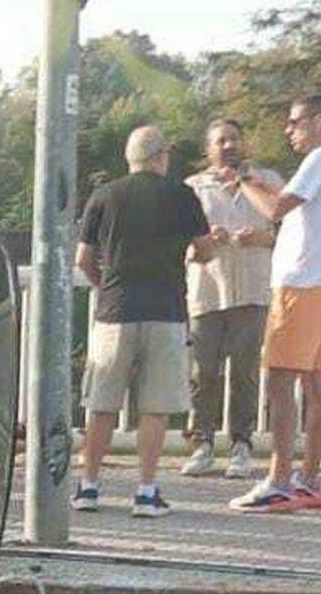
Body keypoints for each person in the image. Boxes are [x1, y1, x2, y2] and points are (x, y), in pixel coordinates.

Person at [224, 95, 321, 513]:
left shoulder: (320, 159)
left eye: (294, 122)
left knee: (280, 383)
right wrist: (258, 181)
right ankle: (309, 480)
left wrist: (244, 183)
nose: (289, 130)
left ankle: (280, 480)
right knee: (317, 386)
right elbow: (292, 199)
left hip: (300, 286)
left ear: (318, 121)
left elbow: (276, 209)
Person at [72, 125, 215, 517]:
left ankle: (88, 486)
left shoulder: (104, 196)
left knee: (101, 404)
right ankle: (146, 492)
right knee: (154, 408)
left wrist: (105, 286)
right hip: (165, 310)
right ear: (161, 157)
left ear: (129, 158)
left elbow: (83, 259)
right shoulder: (182, 195)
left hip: (115, 311)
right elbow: (204, 250)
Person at [181, 119, 283, 479]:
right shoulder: (192, 188)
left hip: (253, 290)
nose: (228, 145)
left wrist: (258, 239)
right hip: (207, 291)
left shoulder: (267, 181)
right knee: (202, 373)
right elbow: (181, 245)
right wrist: (207, 241)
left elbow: (290, 235)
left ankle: (242, 444)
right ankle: (202, 443)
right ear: (208, 148)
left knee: (245, 372)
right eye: (220, 140)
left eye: (234, 139)